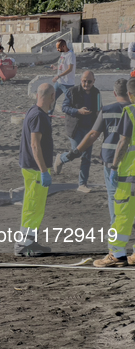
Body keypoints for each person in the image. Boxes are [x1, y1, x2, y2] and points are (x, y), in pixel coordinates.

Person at [54, 79, 129, 225]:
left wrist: (76, 151)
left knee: (113, 194)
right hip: (129, 158)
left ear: (114, 93)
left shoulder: (106, 110)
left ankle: (116, 225)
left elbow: (93, 135)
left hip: (109, 158)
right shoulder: (131, 110)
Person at [94, 78, 135, 267]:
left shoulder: (130, 112)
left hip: (129, 174)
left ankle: (116, 254)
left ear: (130, 95)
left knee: (122, 214)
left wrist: (114, 166)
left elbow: (123, 142)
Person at [15, 83, 56, 257]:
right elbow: (34, 144)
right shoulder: (38, 116)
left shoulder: (34, 111)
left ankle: (29, 240)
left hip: (32, 167)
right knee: (33, 207)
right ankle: (24, 244)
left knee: (34, 206)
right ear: (52, 97)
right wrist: (43, 171)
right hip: (35, 169)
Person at [60, 70, 101, 193]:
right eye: (84, 81)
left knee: (86, 157)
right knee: (76, 152)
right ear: (80, 80)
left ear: (94, 81)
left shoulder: (96, 92)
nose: (86, 84)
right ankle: (61, 159)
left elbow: (100, 109)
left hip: (90, 129)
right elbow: (64, 107)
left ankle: (82, 184)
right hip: (75, 128)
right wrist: (78, 111)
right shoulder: (72, 92)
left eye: (89, 81)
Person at [48, 39, 76, 115]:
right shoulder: (62, 54)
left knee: (71, 102)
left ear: (64, 46)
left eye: (58, 48)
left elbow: (70, 69)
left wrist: (58, 76)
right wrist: (56, 68)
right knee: (52, 99)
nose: (57, 49)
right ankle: (48, 117)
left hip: (67, 84)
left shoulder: (71, 55)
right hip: (59, 83)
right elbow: (63, 66)